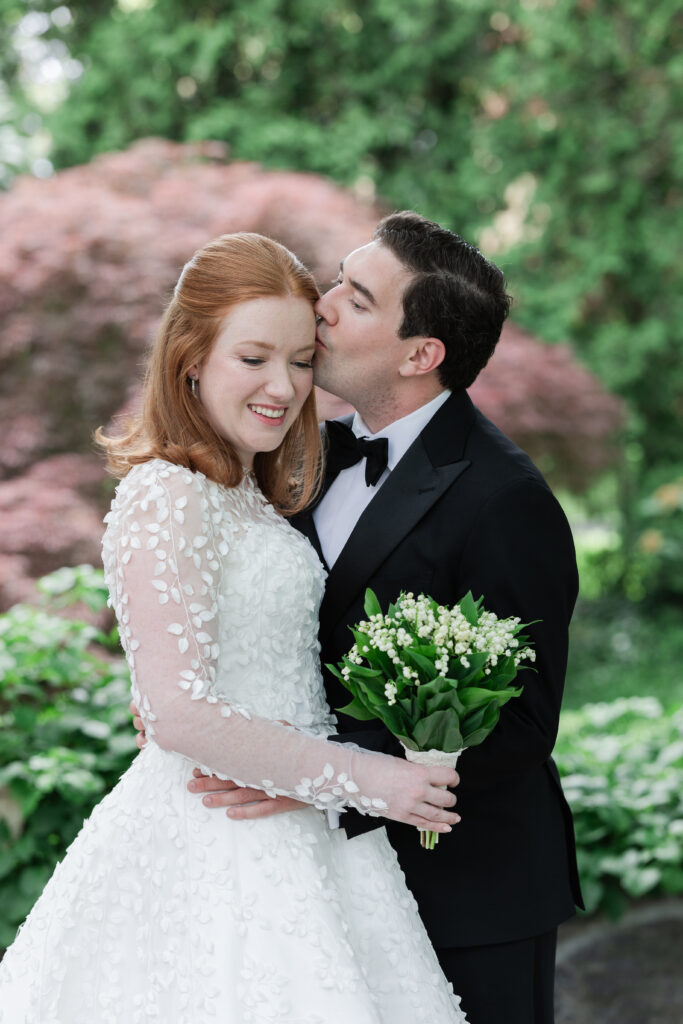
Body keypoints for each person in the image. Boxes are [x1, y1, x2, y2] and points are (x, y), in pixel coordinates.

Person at [0, 232, 469, 1023]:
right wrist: (374, 782)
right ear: (191, 360)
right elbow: (178, 712)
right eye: (252, 358)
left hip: (309, 834)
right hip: (214, 838)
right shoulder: (165, 493)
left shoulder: (251, 497)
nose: (282, 386)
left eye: (297, 360)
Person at [181, 213, 584, 1024]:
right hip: (313, 884)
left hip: (469, 894)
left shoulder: (504, 500)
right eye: (337, 280)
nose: (321, 306)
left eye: (355, 299)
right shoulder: (304, 450)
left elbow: (520, 723)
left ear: (419, 354)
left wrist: (323, 779)